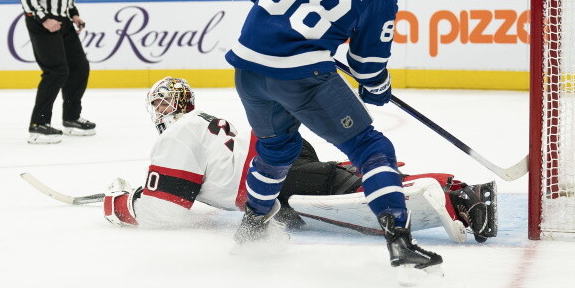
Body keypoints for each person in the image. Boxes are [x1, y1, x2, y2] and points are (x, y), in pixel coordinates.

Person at [224, 0, 444, 274]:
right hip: (300, 76)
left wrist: (276, 16)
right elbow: (366, 68)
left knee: (277, 150)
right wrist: (378, 89)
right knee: (370, 146)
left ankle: (252, 227)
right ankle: (400, 240)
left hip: (248, 69)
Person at [103, 76, 497, 245]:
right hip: (282, 150)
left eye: (163, 101)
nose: (161, 107)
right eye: (157, 101)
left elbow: (165, 211)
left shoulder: (175, 133)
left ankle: (461, 194)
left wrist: (120, 204)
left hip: (273, 172)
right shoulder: (199, 122)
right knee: (328, 184)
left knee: (344, 184)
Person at [19, 0, 95, 144]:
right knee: (56, 71)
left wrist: (74, 14)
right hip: (42, 21)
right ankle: (38, 124)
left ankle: (71, 118)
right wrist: (43, 18)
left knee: (79, 68)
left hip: (63, 21)